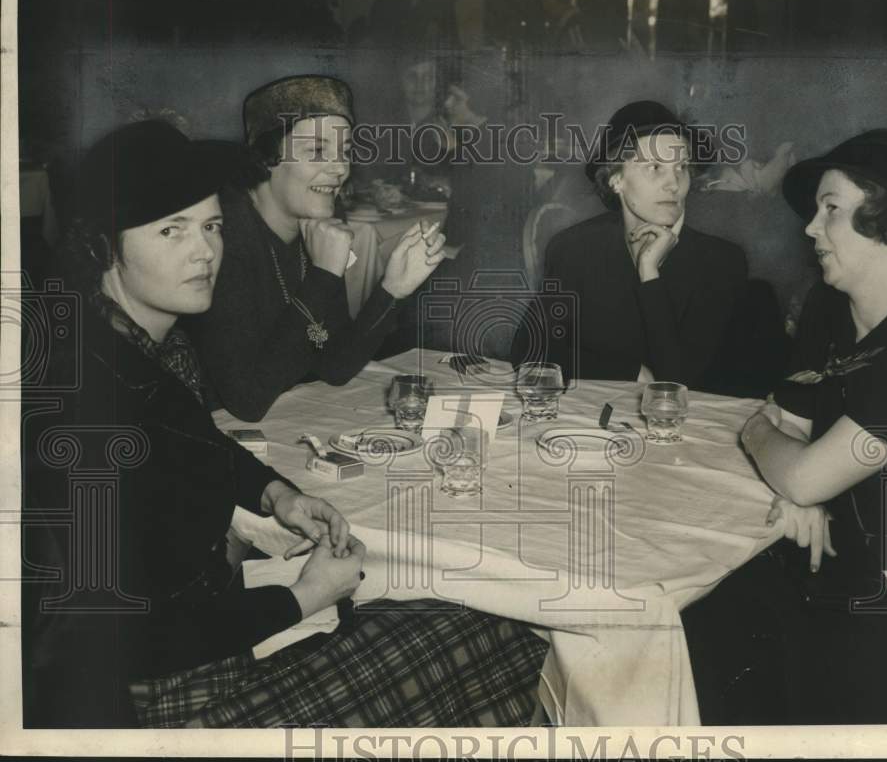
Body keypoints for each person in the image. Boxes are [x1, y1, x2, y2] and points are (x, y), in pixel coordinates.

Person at [21, 120, 548, 728]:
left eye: (212, 226)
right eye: (172, 230)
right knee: (493, 634)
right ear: (100, 248)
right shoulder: (86, 401)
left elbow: (194, 442)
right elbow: (107, 636)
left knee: (465, 629)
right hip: (161, 706)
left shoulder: (142, 344)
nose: (204, 251)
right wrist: (304, 596)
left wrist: (278, 494)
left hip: (206, 637)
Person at [681, 129, 887, 724]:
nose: (810, 228)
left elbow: (793, 454)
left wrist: (763, 442)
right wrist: (798, 489)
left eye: (831, 210)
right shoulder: (827, 305)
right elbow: (793, 420)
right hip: (826, 562)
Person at [190, 75, 448, 421]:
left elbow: (334, 365)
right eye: (317, 151)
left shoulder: (316, 224)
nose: (340, 169)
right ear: (266, 158)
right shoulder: (222, 236)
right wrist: (324, 275)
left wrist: (392, 289)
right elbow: (247, 400)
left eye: (345, 152)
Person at [511, 100, 747, 389]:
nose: (674, 184)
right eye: (655, 167)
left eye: (681, 167)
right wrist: (627, 371)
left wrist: (649, 274)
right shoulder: (575, 247)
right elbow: (529, 349)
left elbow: (676, 385)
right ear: (616, 179)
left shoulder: (720, 261)